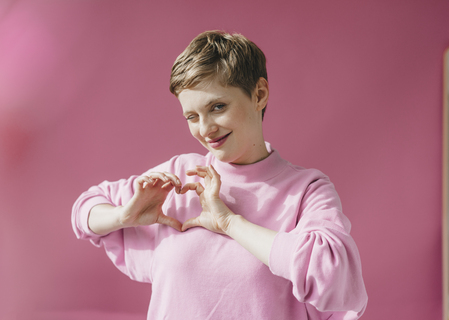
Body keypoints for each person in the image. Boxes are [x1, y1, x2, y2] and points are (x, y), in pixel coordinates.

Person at [72, 30, 368, 319]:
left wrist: (229, 222)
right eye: (192, 116)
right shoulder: (179, 178)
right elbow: (84, 211)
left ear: (259, 94)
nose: (205, 129)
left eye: (217, 107)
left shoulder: (306, 191)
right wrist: (124, 216)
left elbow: (330, 272)